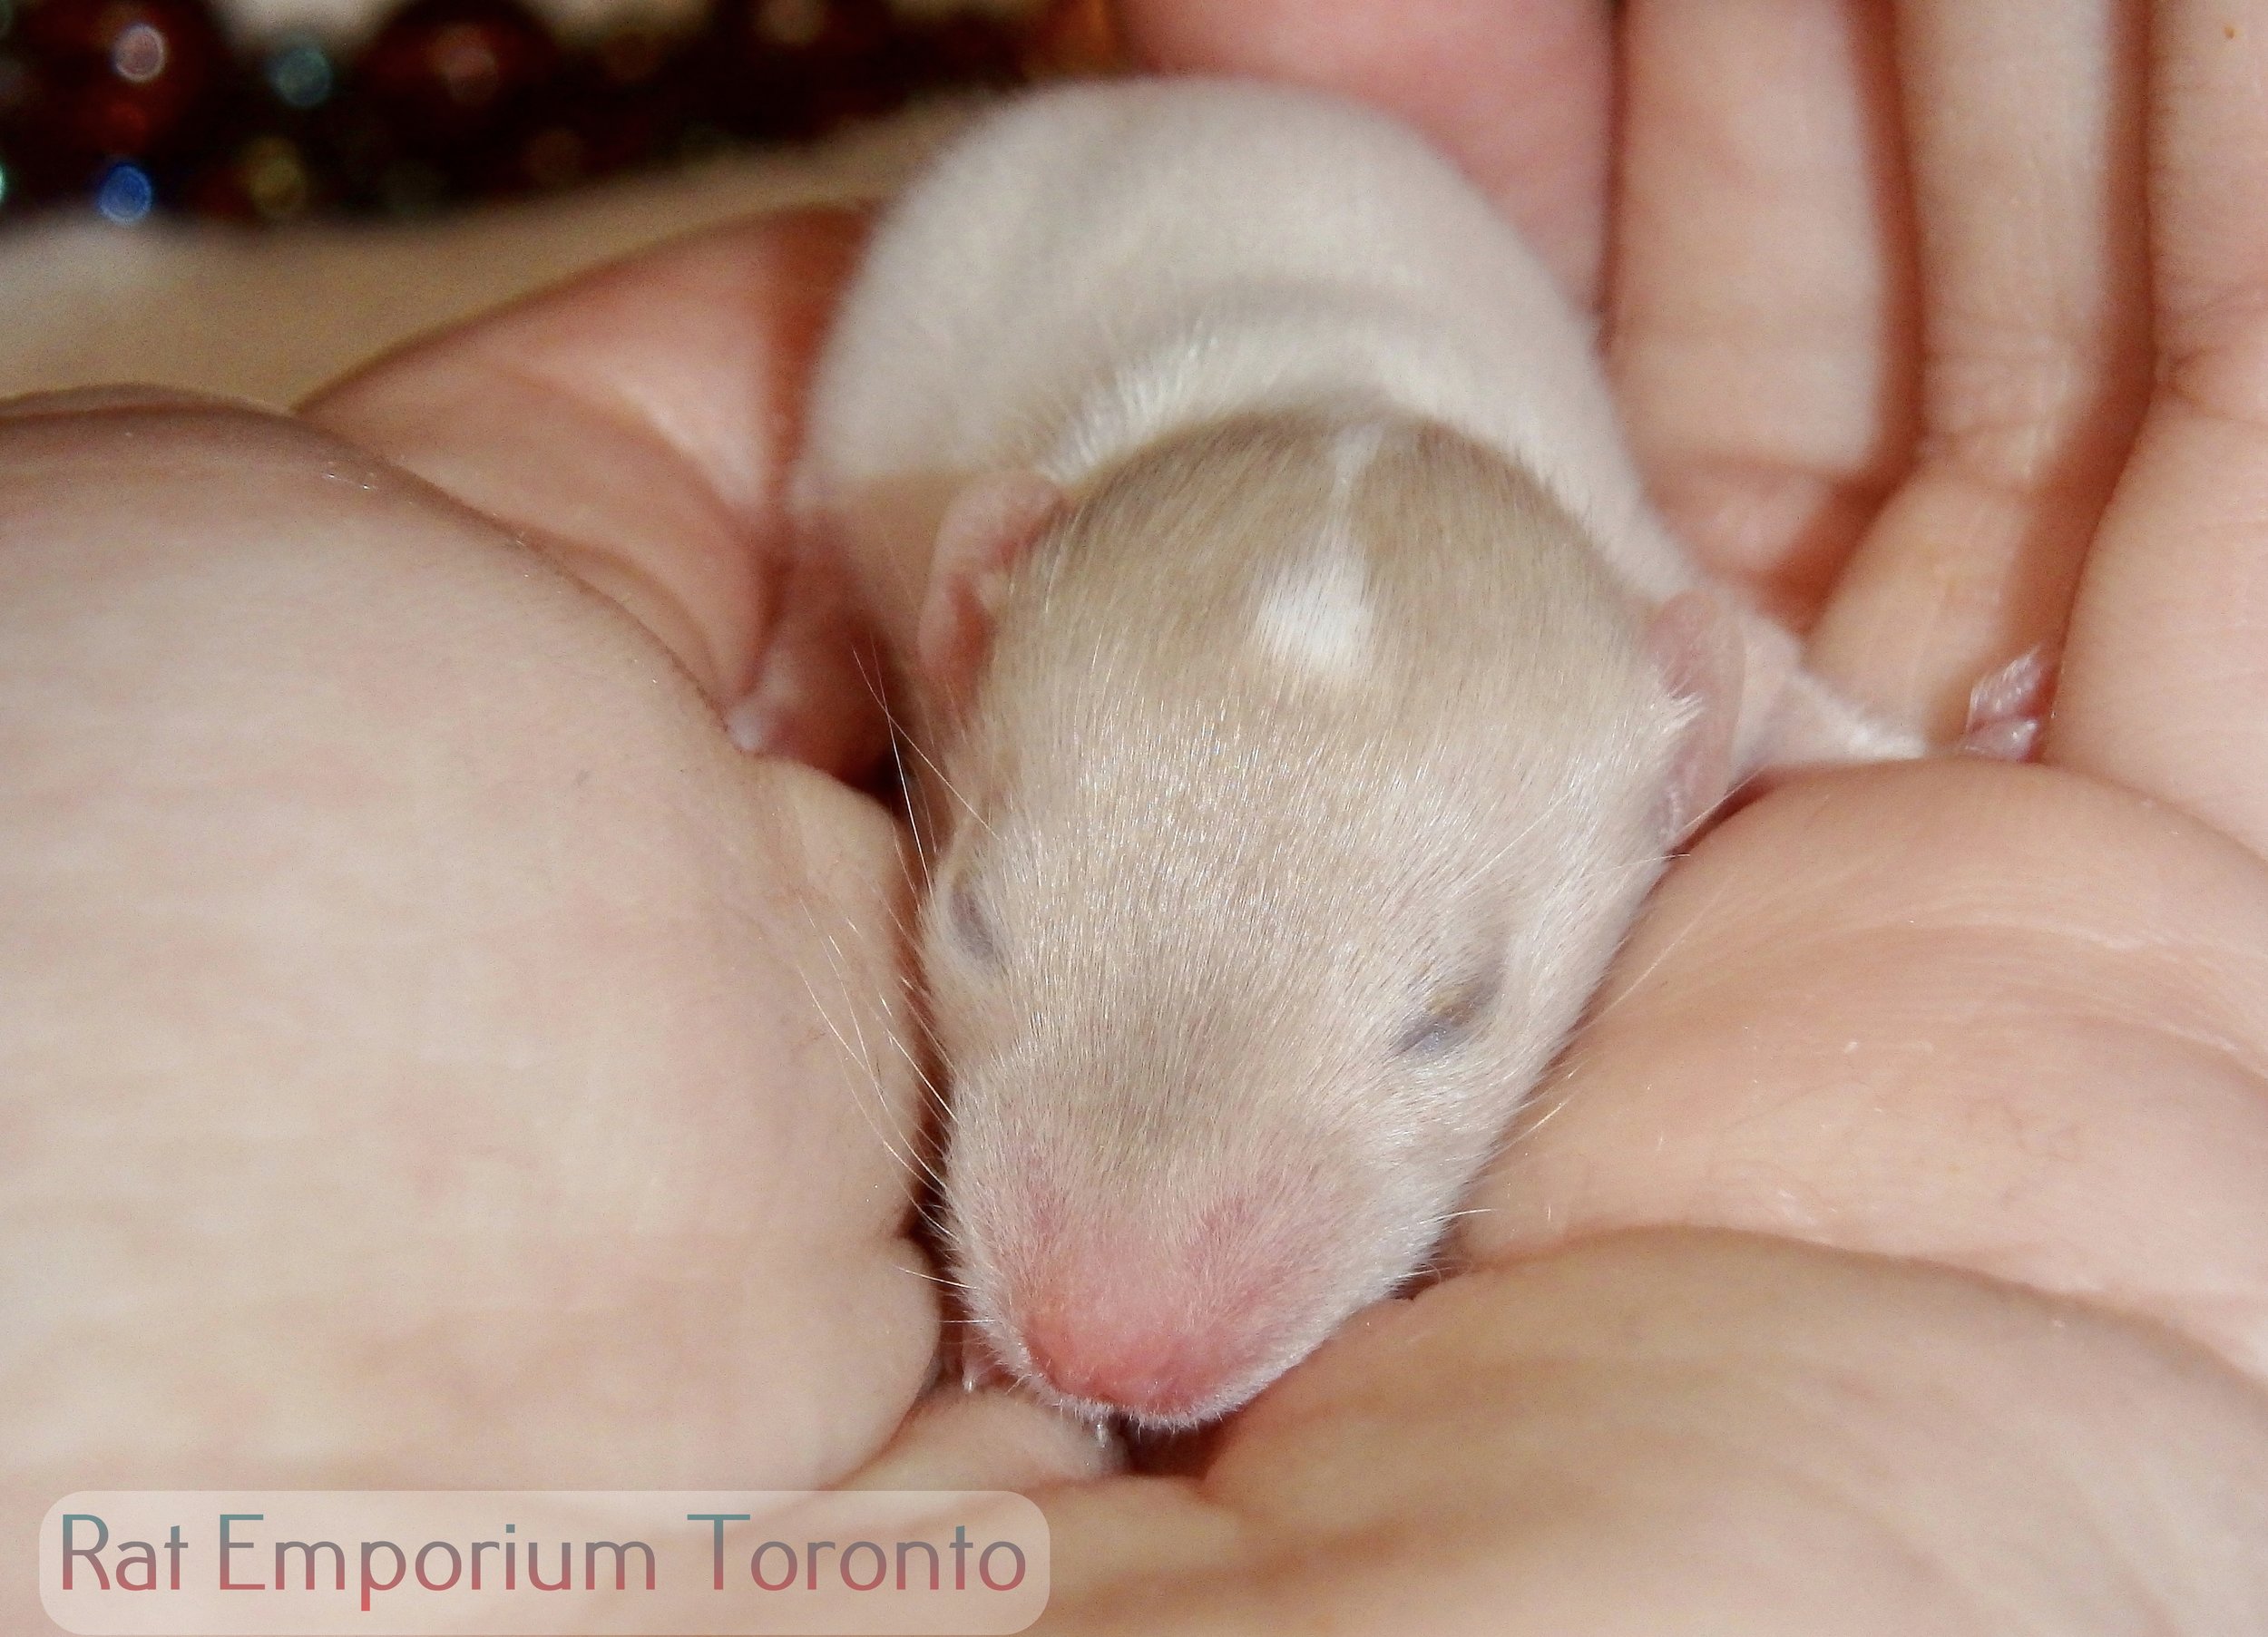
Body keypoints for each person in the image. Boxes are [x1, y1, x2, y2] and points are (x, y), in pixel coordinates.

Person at [8, 1, 2268, 1627]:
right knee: (972, 212)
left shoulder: (1645, 666)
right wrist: (823, 567)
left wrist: (1887, 751)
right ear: (976, 606)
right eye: (987, 921)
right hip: (1084, 237)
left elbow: (1751, 678)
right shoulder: (982, 517)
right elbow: (951, 301)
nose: (1114, 1327)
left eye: (1430, 1023)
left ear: (1669, 752)